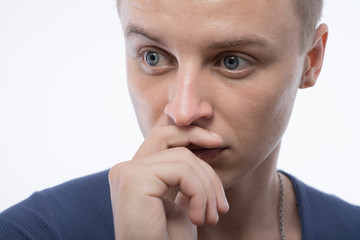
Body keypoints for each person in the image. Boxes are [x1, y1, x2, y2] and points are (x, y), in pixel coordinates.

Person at [0, 0, 359, 239]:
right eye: (153, 57)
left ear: (310, 61)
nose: (184, 111)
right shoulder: (30, 231)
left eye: (232, 61)